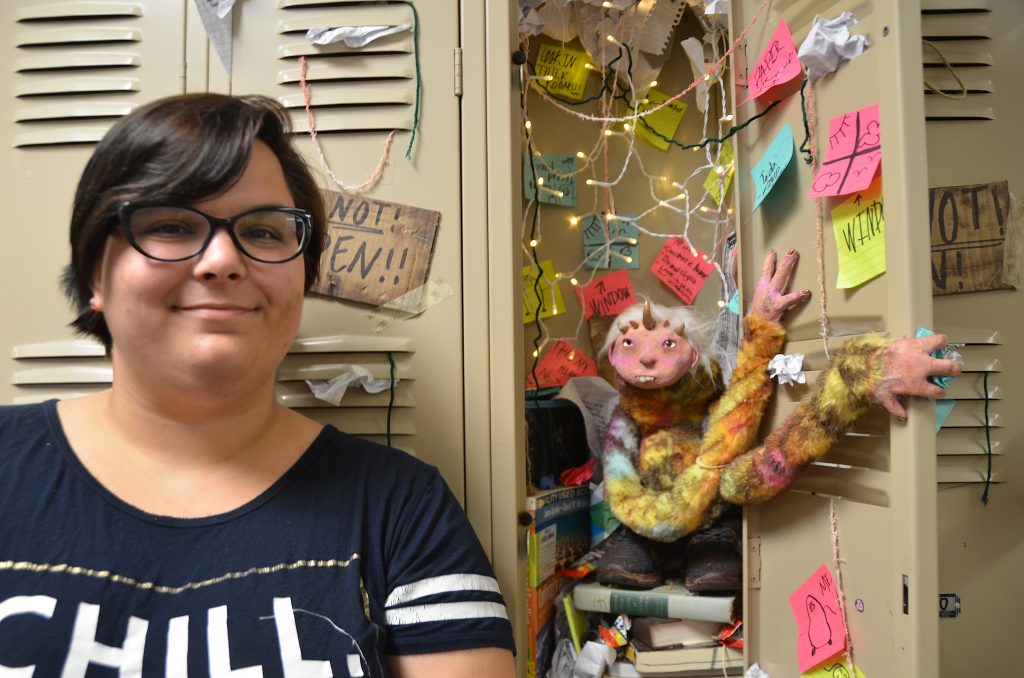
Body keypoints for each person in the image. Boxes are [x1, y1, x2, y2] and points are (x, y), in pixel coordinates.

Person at [0, 94, 515, 677]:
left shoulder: (403, 508)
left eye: (265, 233)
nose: (222, 261)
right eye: (170, 224)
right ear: (95, 272)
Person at [595, 250, 962, 588]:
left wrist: (855, 369)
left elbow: (748, 408)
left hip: (712, 517)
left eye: (667, 344)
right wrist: (657, 520)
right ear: (613, 355)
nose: (646, 359)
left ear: (692, 355)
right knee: (633, 556)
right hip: (646, 524)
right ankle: (654, 544)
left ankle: (705, 540)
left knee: (738, 487)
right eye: (629, 345)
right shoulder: (625, 424)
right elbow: (621, 488)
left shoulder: (716, 416)